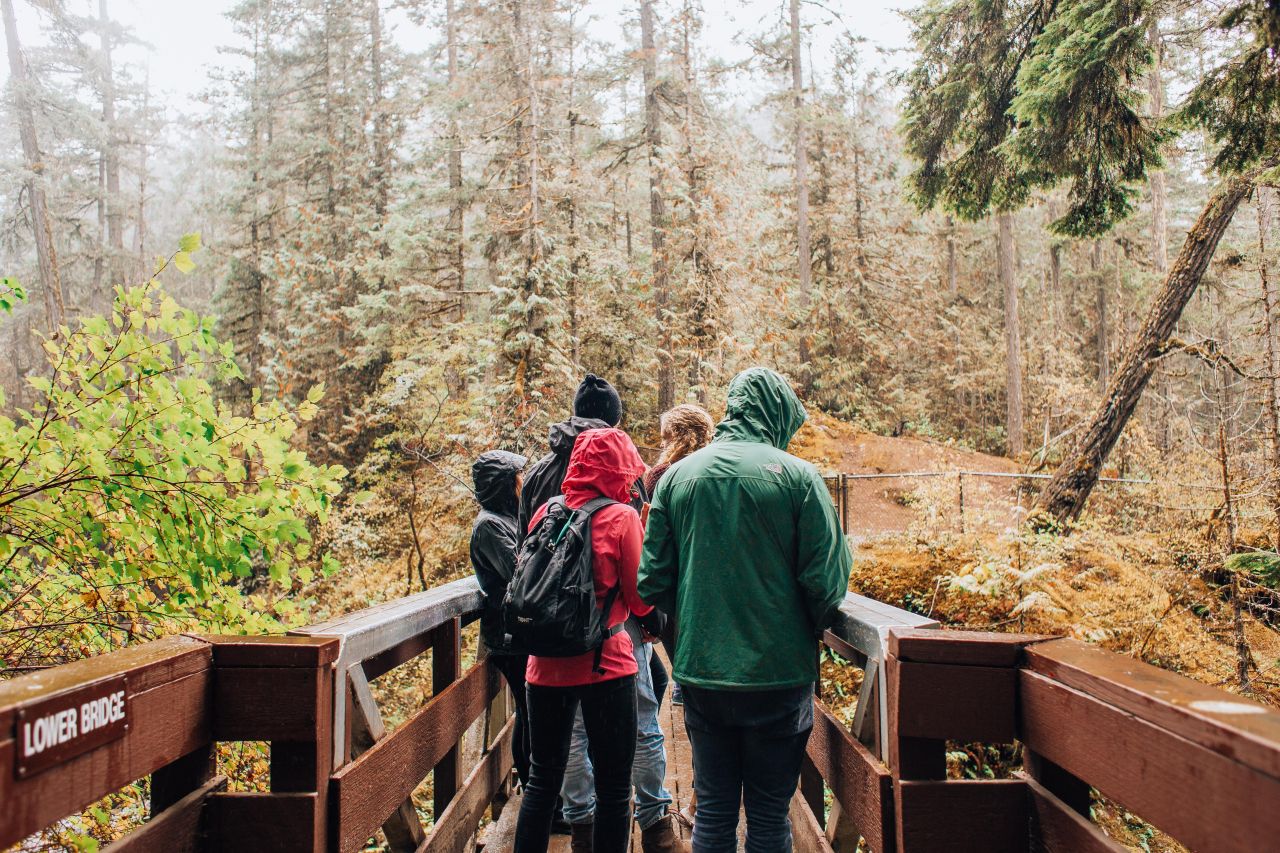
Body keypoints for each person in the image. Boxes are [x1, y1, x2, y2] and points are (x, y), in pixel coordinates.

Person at [638, 368, 852, 853]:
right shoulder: (799, 478)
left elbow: (651, 581)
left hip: (703, 674)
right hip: (778, 676)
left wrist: (697, 616)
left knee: (712, 811)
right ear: (775, 413)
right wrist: (798, 624)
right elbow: (826, 584)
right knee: (770, 815)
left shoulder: (676, 480)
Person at [520, 374, 683, 853]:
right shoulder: (620, 516)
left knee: (540, 780)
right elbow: (638, 596)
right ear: (617, 466)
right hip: (605, 662)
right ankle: (653, 822)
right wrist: (655, 624)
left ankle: (577, 832)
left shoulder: (545, 510)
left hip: (542, 666)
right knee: (615, 789)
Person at [469, 450, 532, 788]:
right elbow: (519, 573)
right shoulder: (490, 526)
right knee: (529, 711)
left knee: (533, 711)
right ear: (506, 483)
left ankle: (540, 788)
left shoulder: (508, 518)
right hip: (509, 638)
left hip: (521, 633)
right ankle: (535, 786)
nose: (526, 479)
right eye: (520, 475)